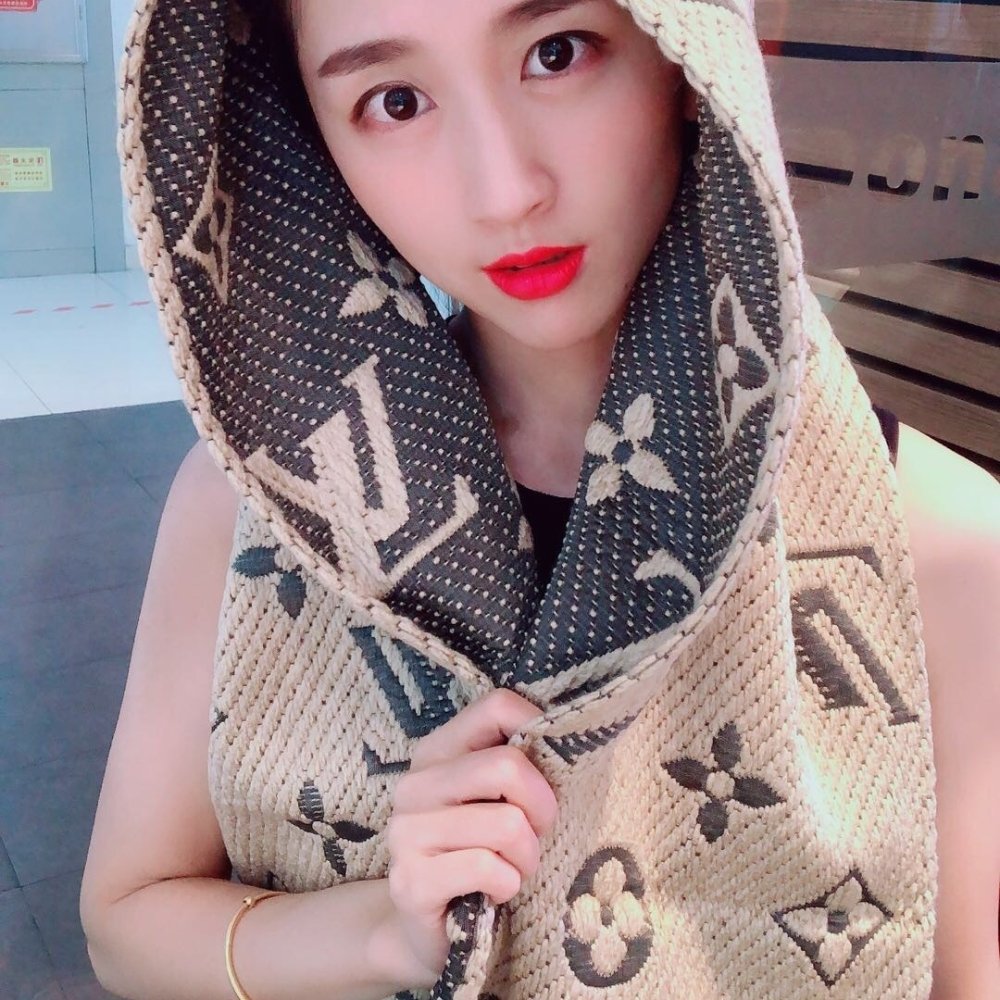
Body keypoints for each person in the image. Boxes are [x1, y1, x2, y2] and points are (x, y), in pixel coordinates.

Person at [79, 1, 999, 998]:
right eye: (395, 101)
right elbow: (125, 922)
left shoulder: (934, 539)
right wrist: (380, 938)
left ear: (685, 57)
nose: (505, 189)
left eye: (556, 55)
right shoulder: (252, 513)